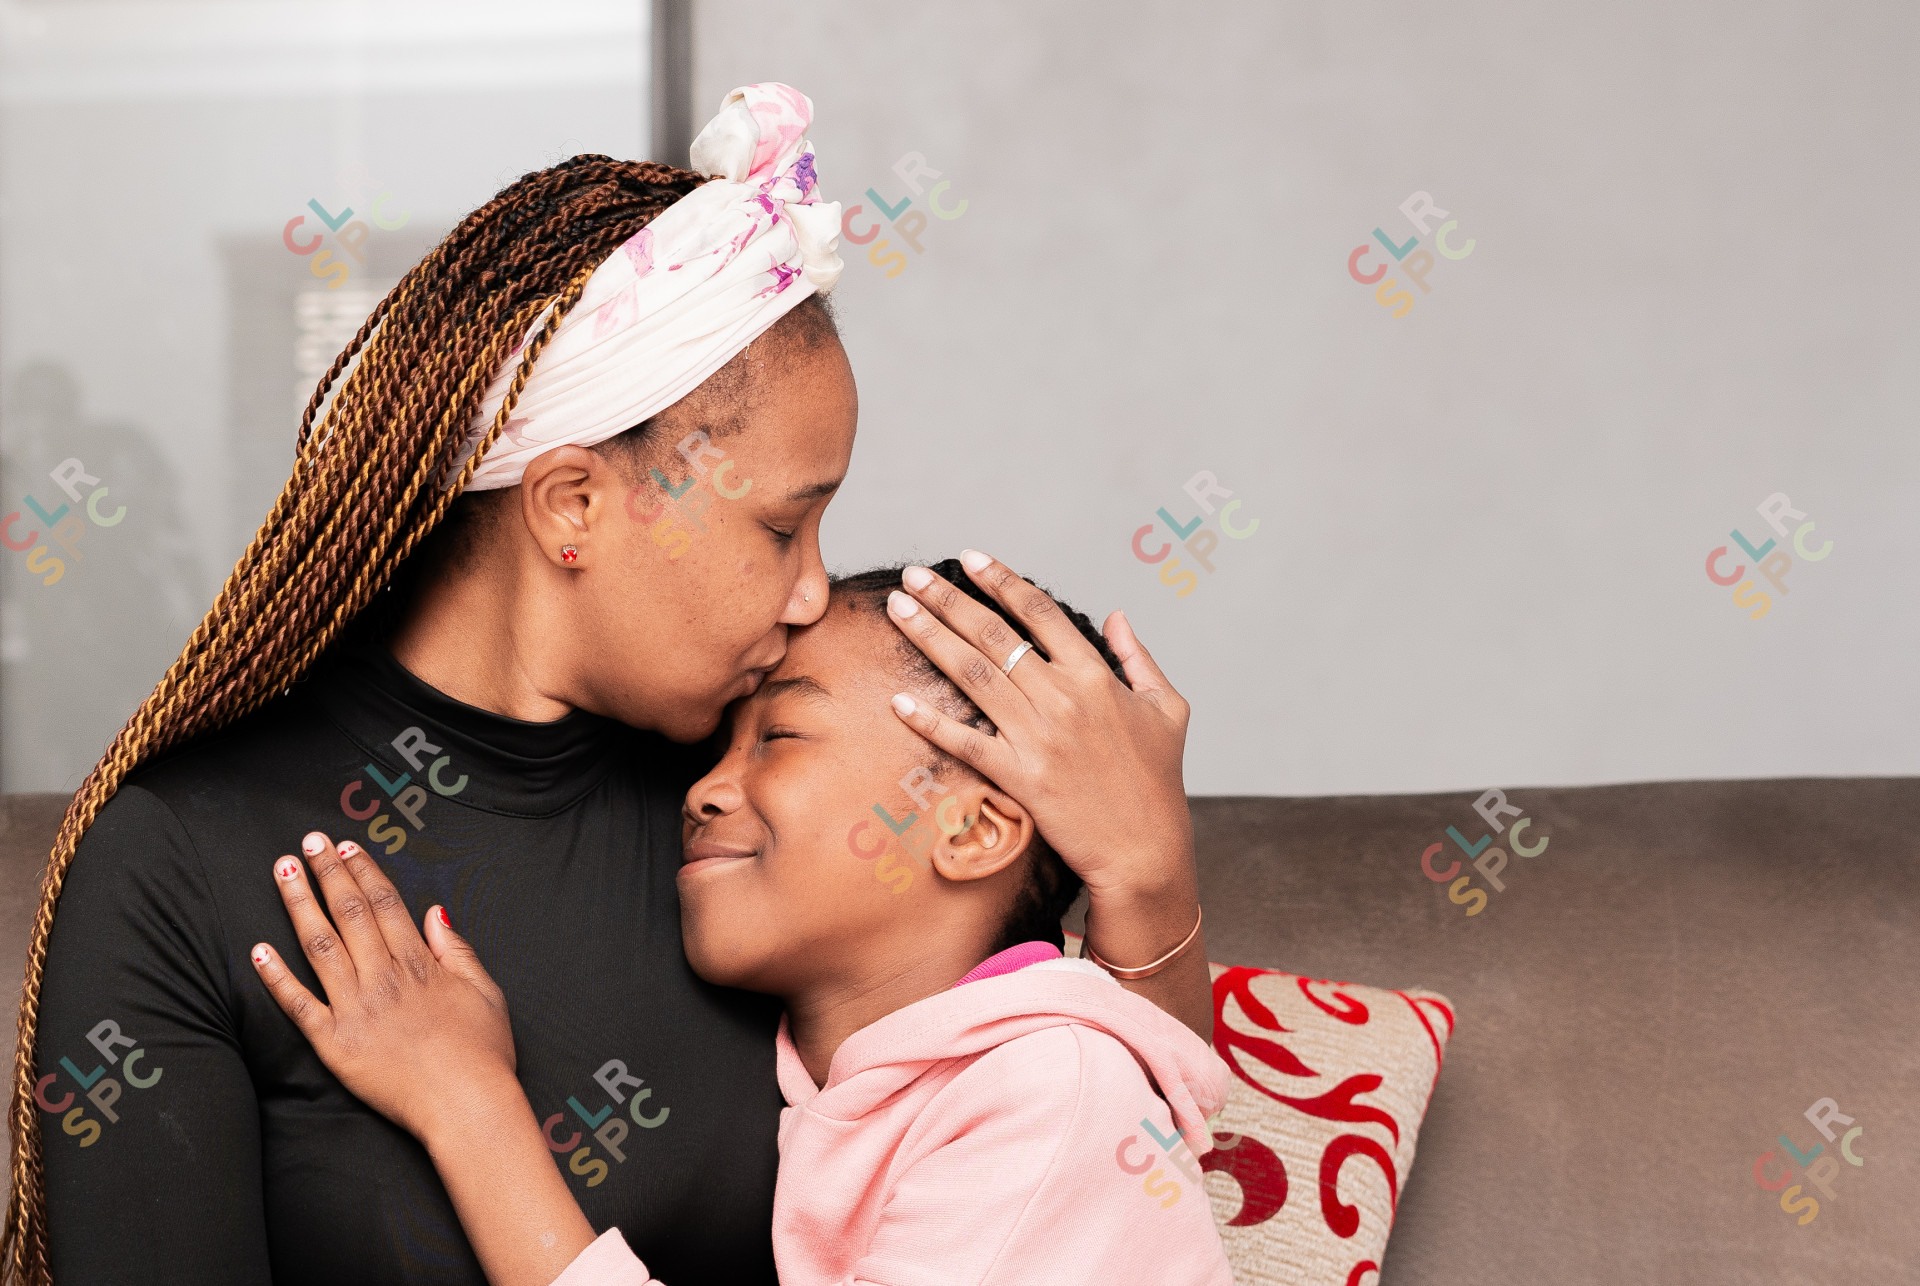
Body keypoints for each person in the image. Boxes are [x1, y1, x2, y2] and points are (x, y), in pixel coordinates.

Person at [7, 85, 1210, 1286]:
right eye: (781, 527)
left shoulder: (768, 836)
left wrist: (1145, 874)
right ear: (574, 503)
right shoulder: (181, 860)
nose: (811, 594)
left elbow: (1083, 1162)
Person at [249, 559, 1235, 1286]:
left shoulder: (1049, 1091)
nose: (704, 790)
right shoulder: (850, 1069)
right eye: (720, 748)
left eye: (782, 735)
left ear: (974, 829)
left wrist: (468, 1105)